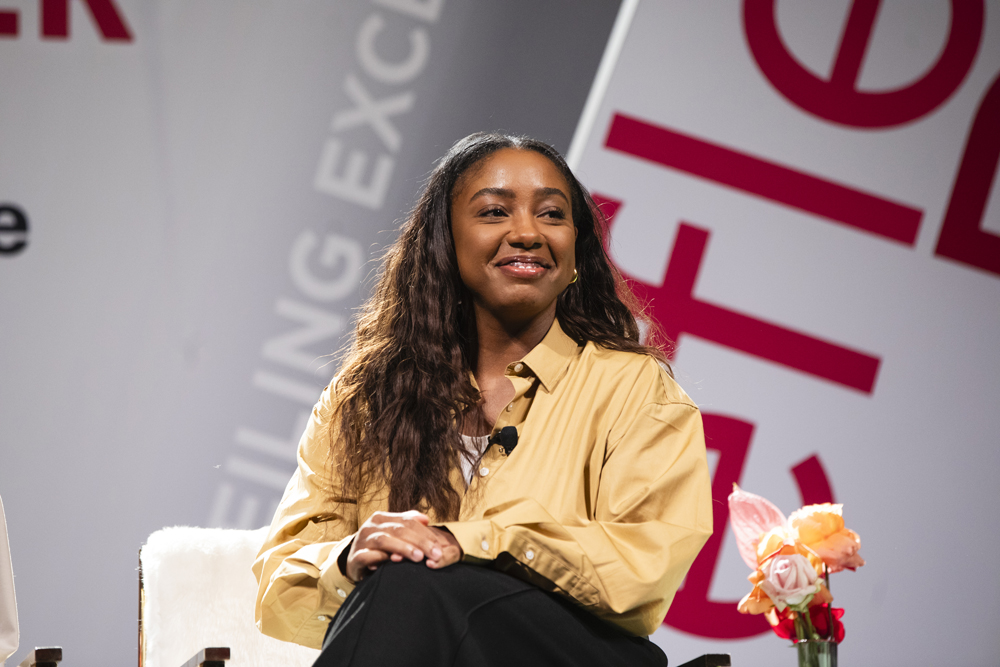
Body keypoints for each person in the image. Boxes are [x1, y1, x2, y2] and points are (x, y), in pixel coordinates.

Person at [253, 133, 713, 666]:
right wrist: (350, 558)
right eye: (495, 211)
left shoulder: (636, 387)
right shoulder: (363, 397)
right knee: (403, 584)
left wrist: (466, 543)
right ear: (444, 242)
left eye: (552, 215)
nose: (527, 233)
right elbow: (279, 582)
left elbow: (644, 565)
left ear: (576, 254)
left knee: (409, 580)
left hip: (572, 655)